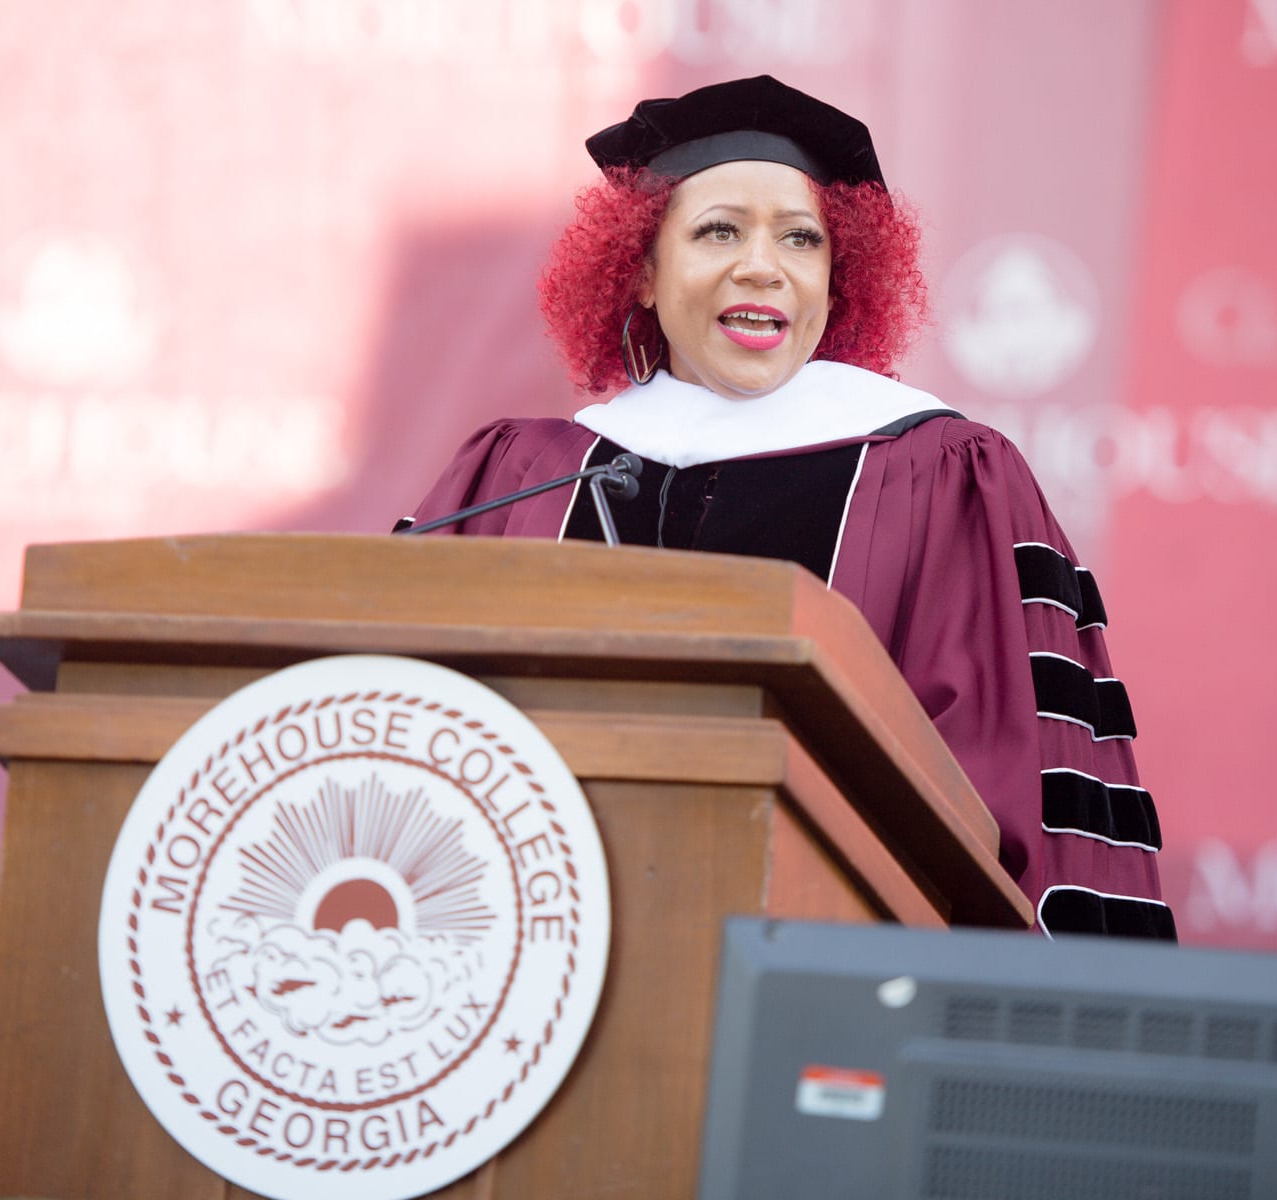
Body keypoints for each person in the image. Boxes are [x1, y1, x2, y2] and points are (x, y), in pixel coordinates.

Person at [411, 76, 1172, 940]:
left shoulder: (946, 476)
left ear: (836, 280)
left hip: (831, 971)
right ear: (643, 275)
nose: (762, 267)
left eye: (801, 239)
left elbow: (1018, 798)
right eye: (718, 231)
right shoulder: (525, 475)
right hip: (534, 959)